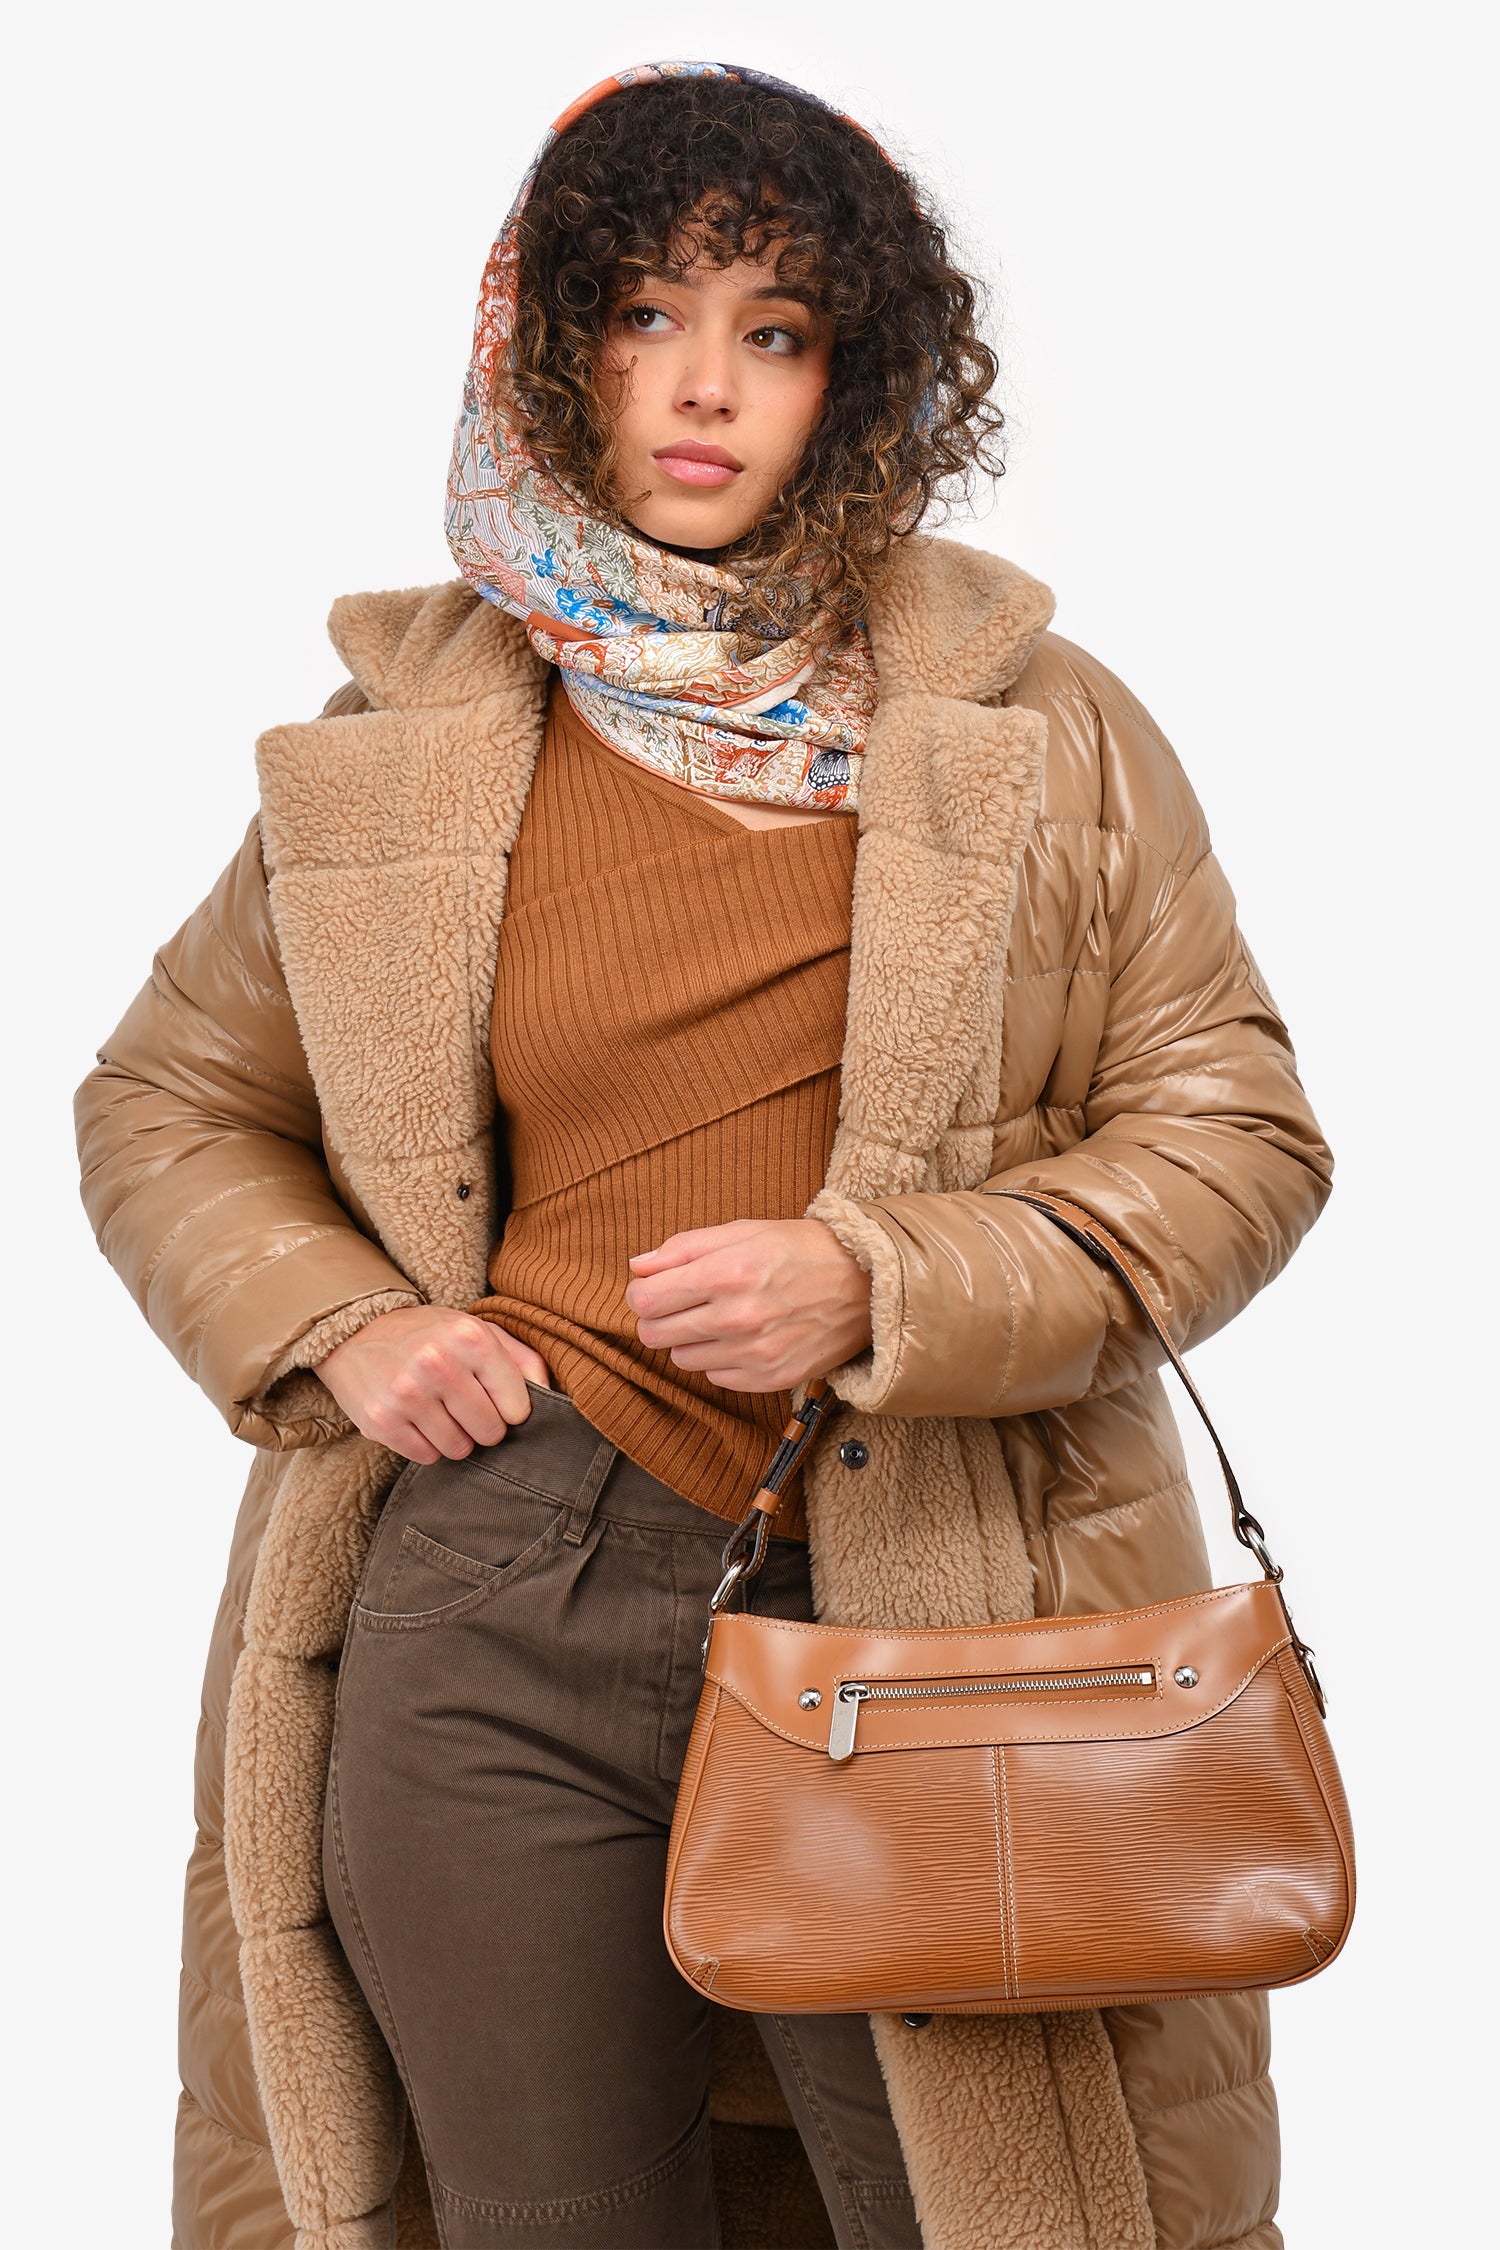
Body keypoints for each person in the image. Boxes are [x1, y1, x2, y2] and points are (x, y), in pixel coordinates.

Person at [74, 60, 1332, 2250]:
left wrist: (888, 1282)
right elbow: (166, 1099)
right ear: (552, 346)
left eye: (776, 330)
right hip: (491, 1573)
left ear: (858, 380)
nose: (702, 386)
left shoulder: (1035, 726)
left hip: (924, 1585)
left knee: (960, 2210)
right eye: (645, 314)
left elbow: (1238, 1133)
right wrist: (346, 1327)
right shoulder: (406, 745)